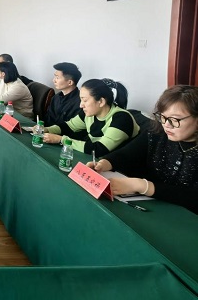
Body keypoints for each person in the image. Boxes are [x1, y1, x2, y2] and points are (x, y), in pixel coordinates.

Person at [89, 85, 198, 214]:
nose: (166, 125)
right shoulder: (157, 132)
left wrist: (144, 186)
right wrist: (104, 163)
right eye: (163, 117)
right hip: (153, 207)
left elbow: (192, 197)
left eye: (174, 119)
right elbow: (128, 154)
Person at [43, 78, 139, 157]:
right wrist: (46, 129)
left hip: (120, 168)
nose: (81, 105)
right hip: (98, 161)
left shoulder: (122, 118)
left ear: (101, 101)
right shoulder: (89, 114)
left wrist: (61, 140)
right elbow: (69, 126)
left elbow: (99, 149)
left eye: (85, 100)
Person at [44, 62, 82, 127]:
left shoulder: (80, 103)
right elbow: (48, 119)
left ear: (70, 82)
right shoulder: (56, 98)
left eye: (57, 77)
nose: (54, 80)